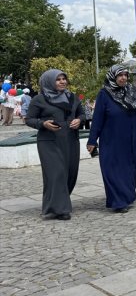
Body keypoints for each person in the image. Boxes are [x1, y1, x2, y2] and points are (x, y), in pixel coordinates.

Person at [86, 65, 136, 214]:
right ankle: (118, 201)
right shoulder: (104, 94)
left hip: (134, 139)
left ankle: (126, 194)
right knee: (114, 170)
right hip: (112, 140)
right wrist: (92, 140)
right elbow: (97, 118)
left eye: (125, 75)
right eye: (120, 75)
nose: (123, 78)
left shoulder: (134, 92)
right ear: (113, 77)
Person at [25, 69, 84, 220]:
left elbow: (82, 114)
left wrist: (79, 120)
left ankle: (56, 203)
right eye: (58, 79)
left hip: (70, 141)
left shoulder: (72, 97)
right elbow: (29, 119)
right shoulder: (39, 99)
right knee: (56, 173)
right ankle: (61, 209)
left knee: (70, 173)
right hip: (49, 142)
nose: (63, 81)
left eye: (64, 79)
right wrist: (43, 123)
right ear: (49, 82)